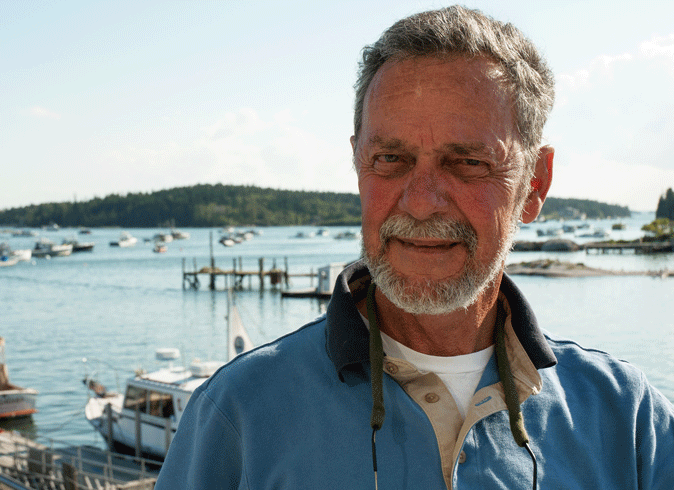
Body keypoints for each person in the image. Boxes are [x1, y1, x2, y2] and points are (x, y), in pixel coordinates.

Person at [155, 6, 674, 489]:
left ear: (534, 185)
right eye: (390, 159)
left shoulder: (626, 421)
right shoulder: (238, 414)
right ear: (359, 164)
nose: (421, 203)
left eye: (467, 162)